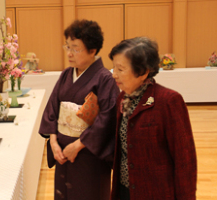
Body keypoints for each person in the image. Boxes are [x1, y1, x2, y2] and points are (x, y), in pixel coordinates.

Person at [39, 19, 120, 200]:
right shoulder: (66, 74)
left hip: (88, 155)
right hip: (62, 151)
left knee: (89, 193)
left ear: (92, 50)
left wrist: (77, 146)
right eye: (67, 47)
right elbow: (53, 109)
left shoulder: (105, 79)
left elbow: (107, 120)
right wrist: (53, 144)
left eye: (75, 48)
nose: (69, 53)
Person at [109, 37, 197, 200]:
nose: (114, 75)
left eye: (120, 69)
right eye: (113, 68)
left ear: (142, 72)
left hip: (155, 193)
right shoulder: (122, 98)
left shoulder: (168, 101)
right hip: (124, 190)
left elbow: (185, 161)